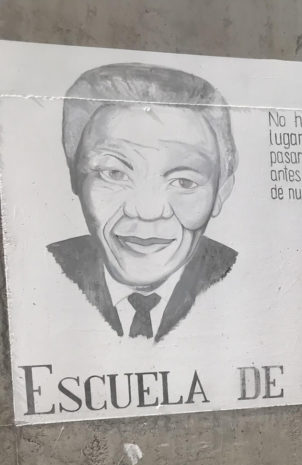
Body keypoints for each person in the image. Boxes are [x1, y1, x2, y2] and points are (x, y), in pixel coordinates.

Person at [49, 63, 238, 342]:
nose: (147, 211)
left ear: (221, 192)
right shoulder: (47, 272)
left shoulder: (242, 279)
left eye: (184, 182)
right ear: (75, 177)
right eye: (114, 174)